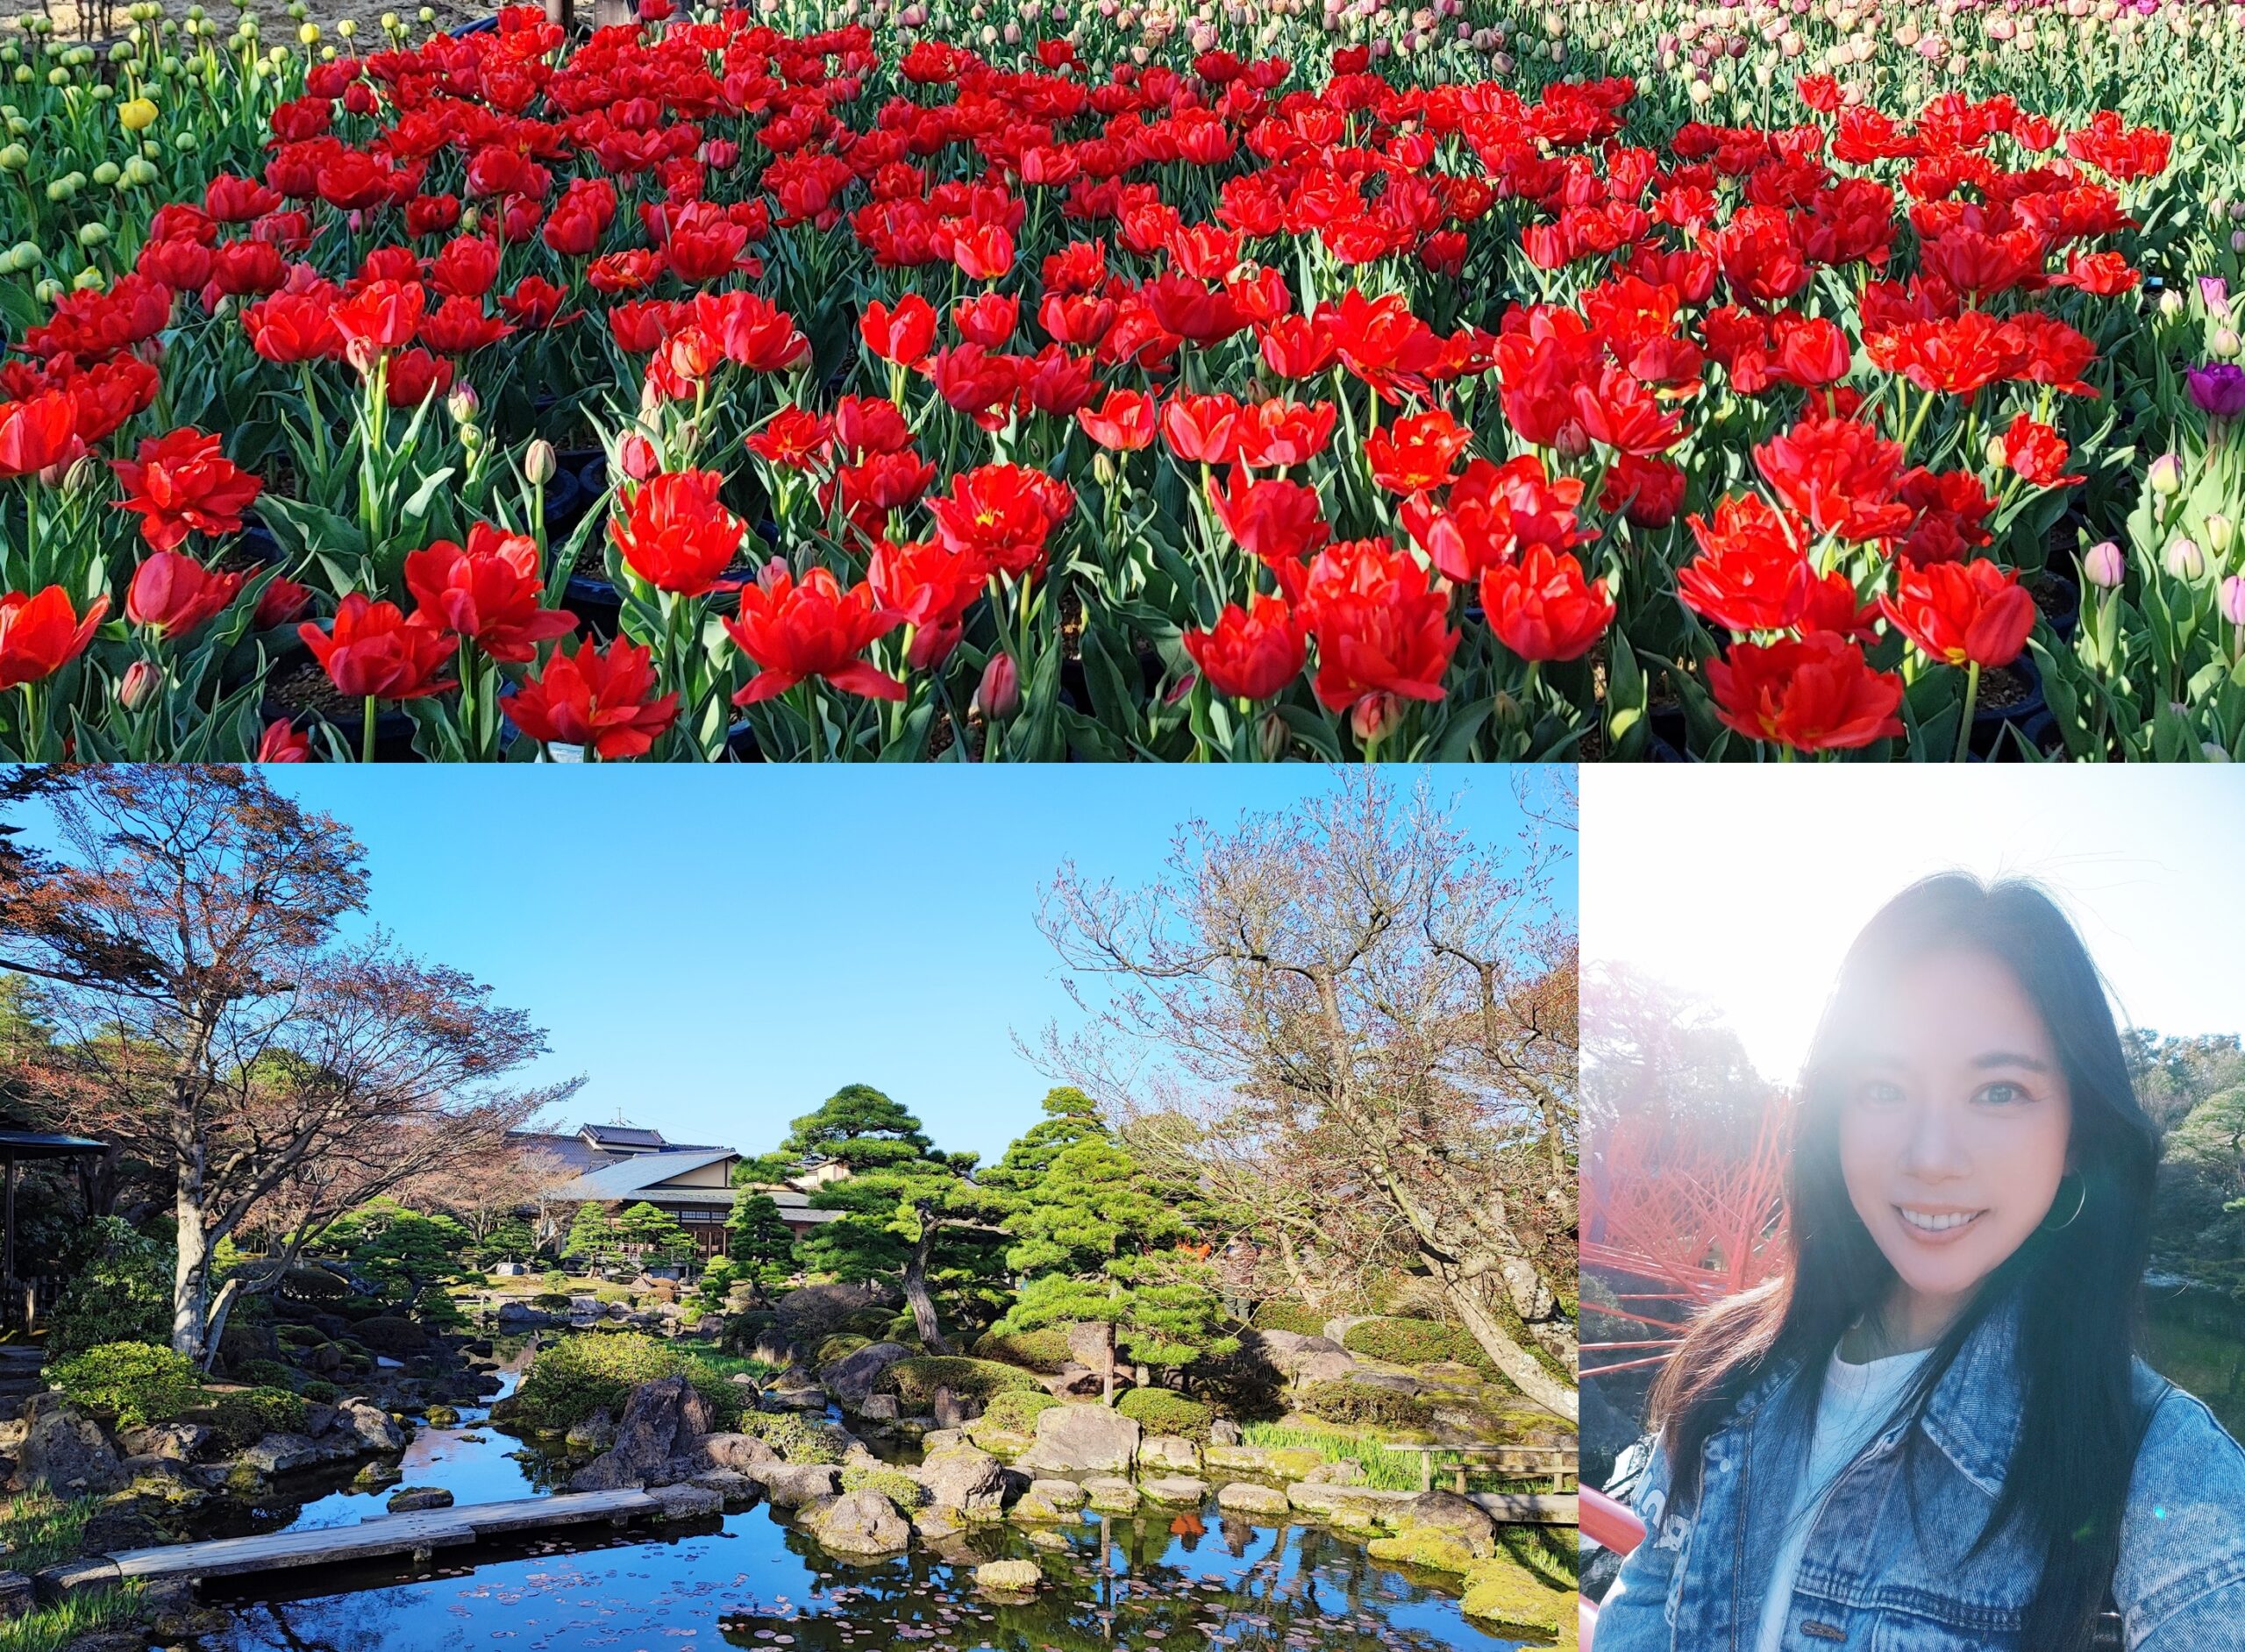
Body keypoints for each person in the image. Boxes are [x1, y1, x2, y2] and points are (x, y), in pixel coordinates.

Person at [1592, 874, 2245, 1652]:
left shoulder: (2160, 1467)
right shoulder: (1727, 1364)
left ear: (2078, 1135)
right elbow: (1646, 1599)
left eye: (1999, 1091)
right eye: (1882, 1088)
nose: (1931, 1158)